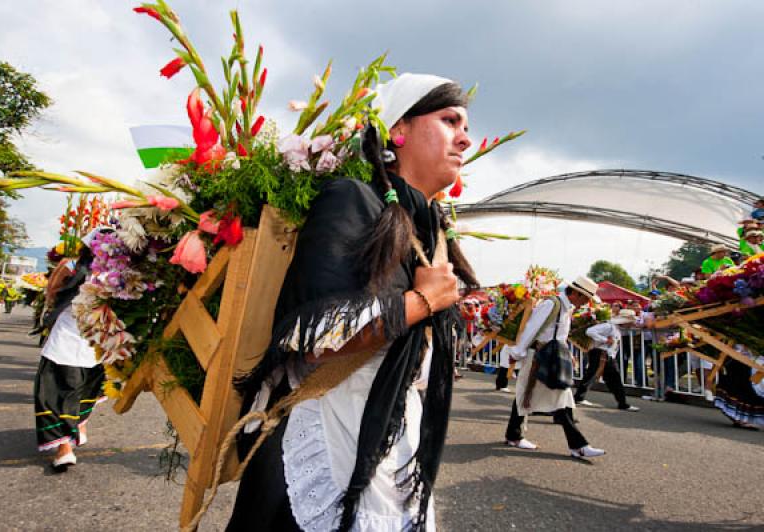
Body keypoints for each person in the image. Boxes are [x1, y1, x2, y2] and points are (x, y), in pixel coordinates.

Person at [227, 74, 477, 531]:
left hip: (389, 441)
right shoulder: (351, 199)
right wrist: (423, 301)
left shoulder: (430, 230)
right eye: (449, 120)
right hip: (326, 435)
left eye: (465, 125)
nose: (465, 137)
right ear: (398, 129)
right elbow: (315, 338)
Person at [502, 276, 605, 458]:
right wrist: (516, 353)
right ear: (574, 293)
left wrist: (567, 353)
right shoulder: (552, 305)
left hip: (550, 357)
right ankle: (578, 445)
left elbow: (558, 335)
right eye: (584, 299)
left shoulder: (564, 308)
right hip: (539, 358)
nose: (585, 303)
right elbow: (532, 329)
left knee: (540, 396)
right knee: (555, 399)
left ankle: (514, 435)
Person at [34, 230, 106, 472]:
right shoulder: (74, 266)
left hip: (95, 336)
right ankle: (66, 443)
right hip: (72, 334)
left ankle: (74, 431)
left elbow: (51, 295)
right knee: (64, 388)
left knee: (82, 387)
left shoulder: (115, 269)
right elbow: (53, 293)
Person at [574, 309, 639, 411]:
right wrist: (605, 340)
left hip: (603, 355)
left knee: (592, 376)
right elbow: (589, 331)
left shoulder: (614, 328)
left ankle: (578, 397)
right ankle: (622, 403)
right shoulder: (609, 326)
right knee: (614, 379)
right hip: (602, 354)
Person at [713, 345, 763, 430]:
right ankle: (739, 418)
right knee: (743, 389)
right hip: (742, 360)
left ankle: (740, 418)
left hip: (751, 362)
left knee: (752, 390)